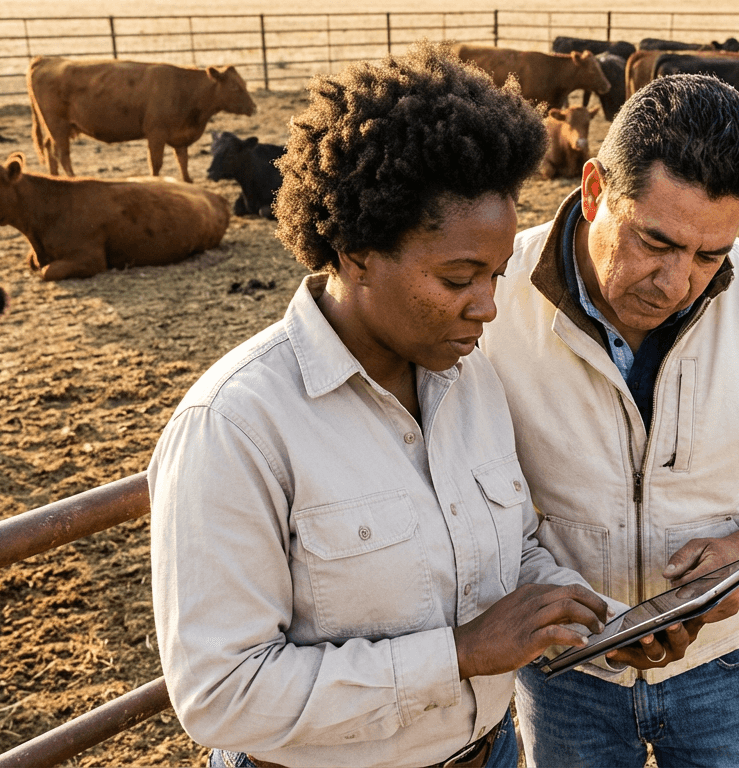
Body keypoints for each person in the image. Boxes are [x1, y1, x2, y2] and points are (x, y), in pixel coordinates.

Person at [147, 44, 615, 768]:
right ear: (357, 253)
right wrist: (455, 656)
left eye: (494, 274)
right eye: (459, 277)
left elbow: (512, 547)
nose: (488, 307)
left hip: (489, 752)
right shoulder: (237, 427)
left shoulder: (471, 380)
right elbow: (220, 692)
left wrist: (581, 609)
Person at [480, 73, 739, 767]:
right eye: (655, 242)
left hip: (726, 662)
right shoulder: (492, 293)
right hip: (565, 670)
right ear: (595, 190)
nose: (677, 282)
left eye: (712, 254)